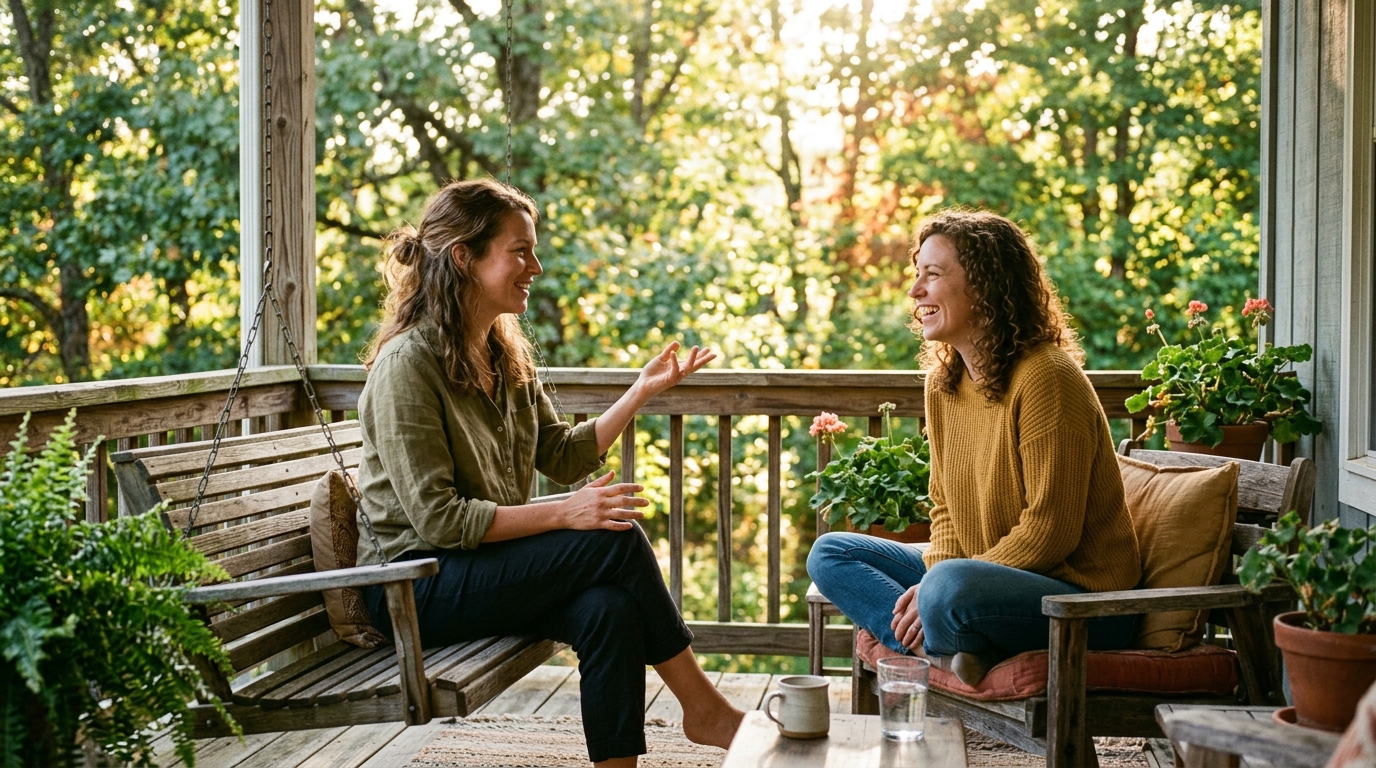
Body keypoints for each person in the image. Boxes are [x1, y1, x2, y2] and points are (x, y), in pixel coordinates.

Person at [355, 178, 744, 766]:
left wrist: (639, 392)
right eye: (520, 250)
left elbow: (560, 453)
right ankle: (705, 709)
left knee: (608, 611)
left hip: (476, 569)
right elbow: (437, 520)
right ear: (464, 257)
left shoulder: (500, 351)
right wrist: (567, 513)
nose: (534, 265)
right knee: (615, 540)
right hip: (413, 587)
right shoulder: (407, 366)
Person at [807, 210, 1142, 687]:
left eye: (934, 275)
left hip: (1082, 602)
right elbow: (943, 507)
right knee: (832, 553)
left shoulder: (1047, 378)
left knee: (946, 587)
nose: (915, 291)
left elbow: (1050, 532)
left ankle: (944, 643)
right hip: (980, 582)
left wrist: (938, 586)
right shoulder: (943, 384)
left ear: (984, 286)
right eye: (917, 273)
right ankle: (947, 653)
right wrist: (937, 580)